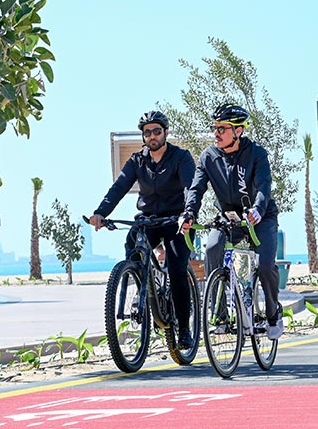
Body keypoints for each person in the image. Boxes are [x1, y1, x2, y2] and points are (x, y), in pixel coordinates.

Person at [90, 110, 196, 349]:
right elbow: (119, 187)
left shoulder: (181, 157)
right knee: (132, 243)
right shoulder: (138, 160)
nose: (152, 136)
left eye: (156, 131)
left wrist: (188, 214)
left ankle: (184, 329)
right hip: (148, 219)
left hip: (176, 220)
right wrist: (100, 213)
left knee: (178, 269)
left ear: (165, 132)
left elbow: (191, 188)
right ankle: (142, 286)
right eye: (147, 133)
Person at [180, 103, 283, 340]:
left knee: (266, 266)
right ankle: (221, 316)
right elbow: (195, 189)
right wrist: (189, 213)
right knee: (213, 248)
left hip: (261, 217)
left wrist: (257, 209)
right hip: (227, 218)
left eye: (222, 128)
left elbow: (264, 186)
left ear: (239, 131)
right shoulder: (208, 156)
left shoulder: (257, 153)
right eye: (214, 127)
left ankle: (272, 312)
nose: (216, 133)